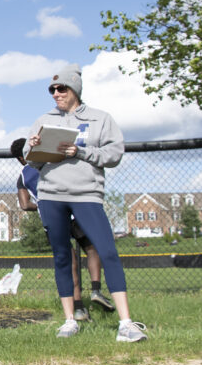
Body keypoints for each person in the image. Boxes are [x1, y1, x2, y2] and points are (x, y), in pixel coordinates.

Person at [24, 64, 146, 342]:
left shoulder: (100, 119)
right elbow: (31, 160)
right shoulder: (44, 119)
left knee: (107, 251)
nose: (56, 94)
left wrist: (79, 151)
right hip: (51, 195)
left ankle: (126, 323)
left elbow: (113, 153)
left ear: (75, 89)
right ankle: (69, 320)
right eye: (52, 90)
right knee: (61, 256)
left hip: (86, 195)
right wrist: (33, 147)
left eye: (61, 88)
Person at [11, 137, 115, 321]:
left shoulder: (23, 176)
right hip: (74, 211)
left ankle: (78, 308)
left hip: (52, 217)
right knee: (91, 249)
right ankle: (96, 289)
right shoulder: (51, 160)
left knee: (69, 262)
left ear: (19, 158)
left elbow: (25, 205)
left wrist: (41, 205)